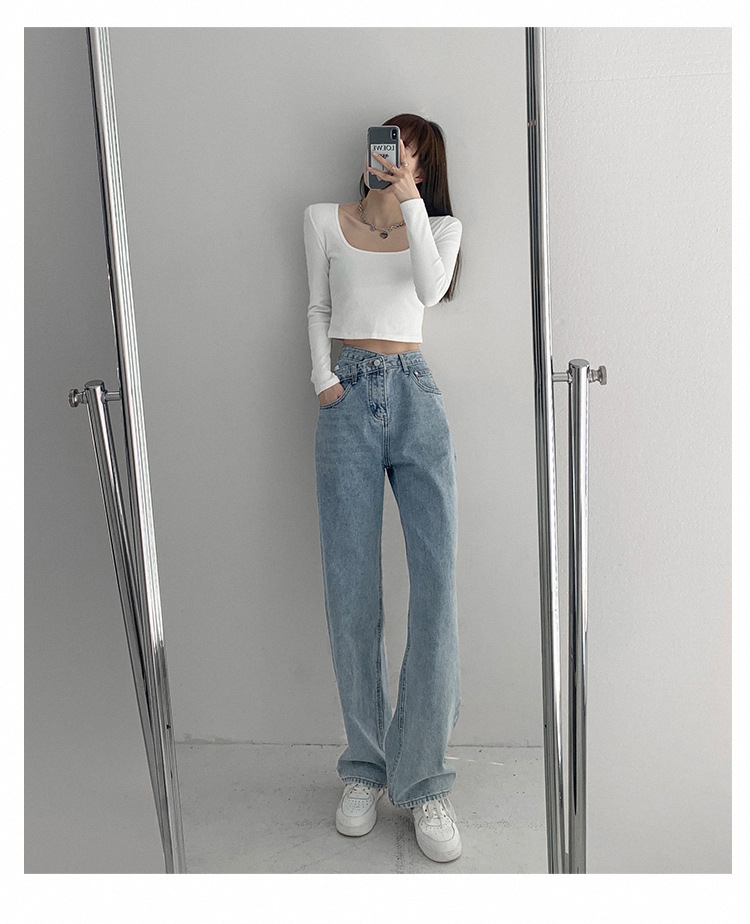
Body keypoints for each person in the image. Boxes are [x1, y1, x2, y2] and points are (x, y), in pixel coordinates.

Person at [303, 113, 463, 863]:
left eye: (413, 159)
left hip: (417, 398)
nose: (398, 162)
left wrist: (410, 204)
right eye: (391, 149)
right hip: (347, 396)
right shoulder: (321, 220)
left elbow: (430, 291)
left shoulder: (442, 228)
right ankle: (365, 768)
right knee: (350, 588)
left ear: (425, 171)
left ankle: (424, 778)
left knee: (436, 584)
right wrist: (321, 377)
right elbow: (318, 305)